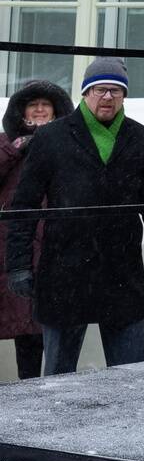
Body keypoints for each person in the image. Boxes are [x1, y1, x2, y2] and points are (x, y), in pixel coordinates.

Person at [5, 58, 144, 377]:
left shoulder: (140, 138)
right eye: (100, 90)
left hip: (121, 272)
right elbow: (24, 206)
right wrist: (18, 265)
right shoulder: (52, 138)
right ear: (86, 93)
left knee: (132, 374)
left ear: (124, 96)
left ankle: (130, 427)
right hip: (64, 272)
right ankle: (57, 428)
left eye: (116, 91)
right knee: (59, 377)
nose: (108, 97)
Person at [0, 79, 71, 379]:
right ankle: (27, 387)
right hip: (15, 247)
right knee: (23, 323)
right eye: (33, 104)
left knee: (55, 321)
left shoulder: (70, 141)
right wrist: (18, 148)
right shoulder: (6, 143)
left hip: (57, 243)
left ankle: (56, 387)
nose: (40, 110)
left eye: (46, 105)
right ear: (21, 111)